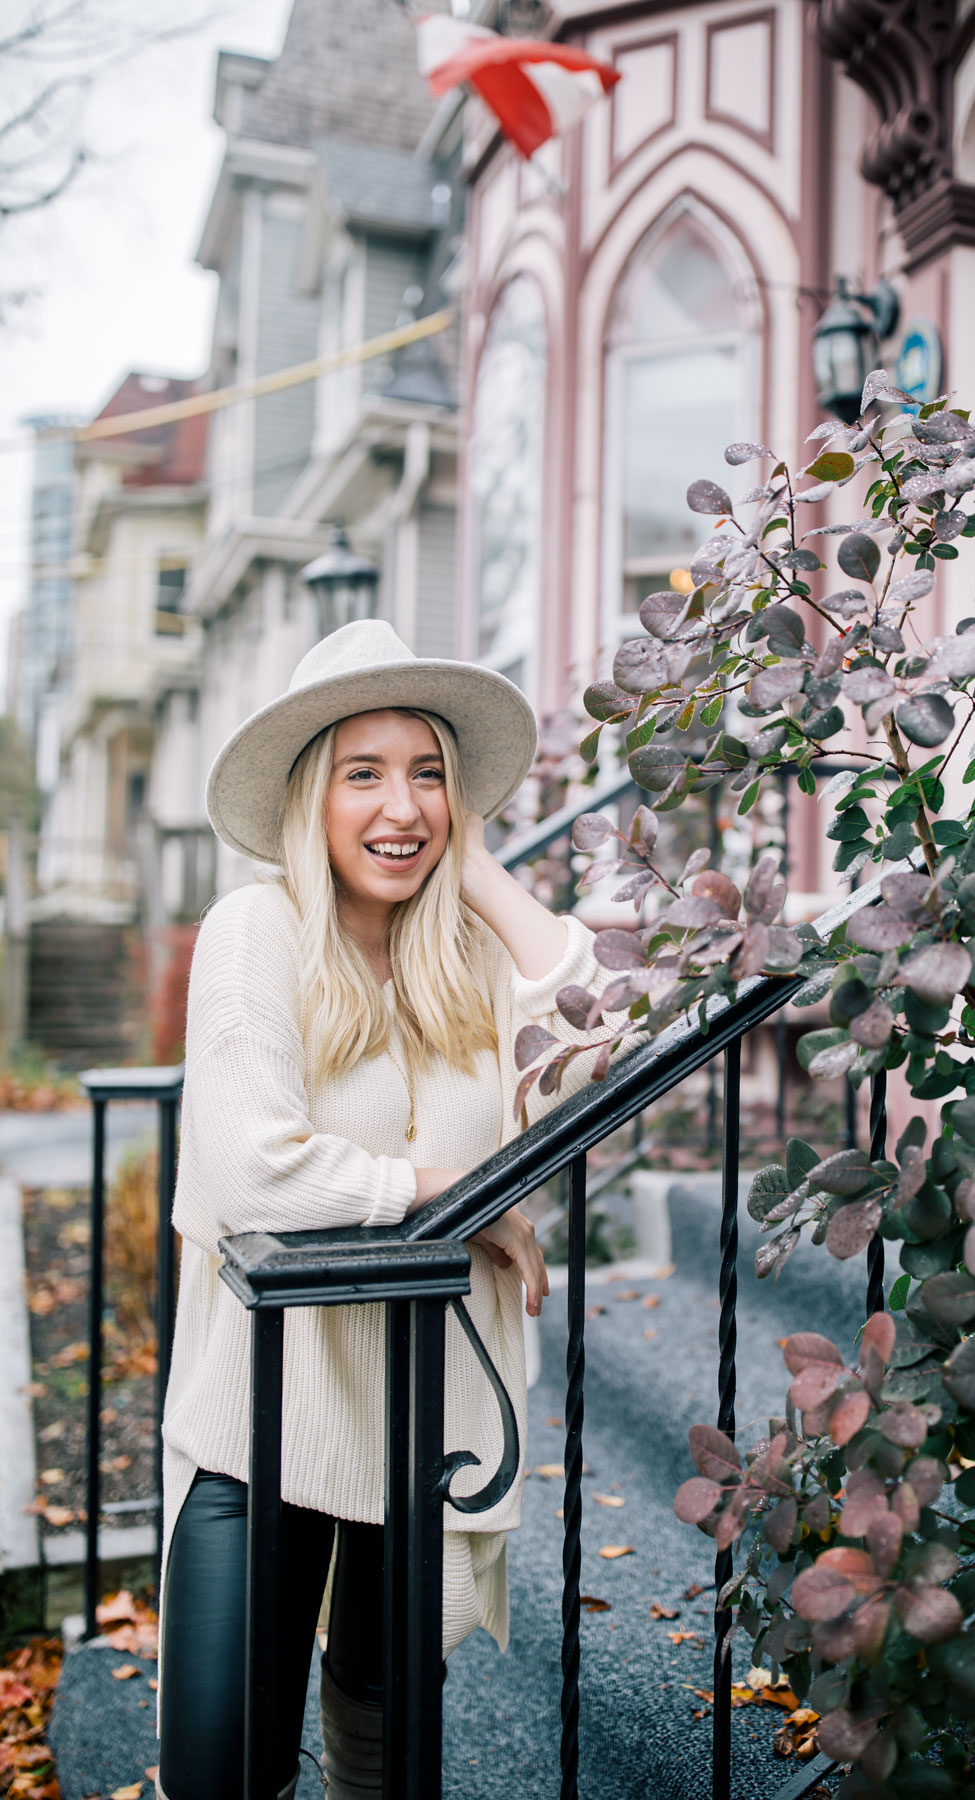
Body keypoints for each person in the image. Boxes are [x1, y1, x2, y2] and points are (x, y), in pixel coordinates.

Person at [156, 619, 611, 1800]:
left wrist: (478, 871)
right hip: (271, 1414)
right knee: (220, 1768)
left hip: (428, 1425)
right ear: (313, 796)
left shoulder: (464, 953)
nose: (400, 805)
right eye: (364, 774)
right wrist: (463, 1202)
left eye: (428, 775)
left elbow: (607, 1038)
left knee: (384, 1756)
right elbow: (258, 1173)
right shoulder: (252, 933)